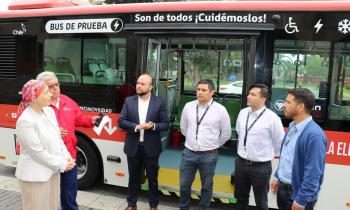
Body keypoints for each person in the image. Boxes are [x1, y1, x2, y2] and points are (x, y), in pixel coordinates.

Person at [36, 71, 100, 210]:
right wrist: (54, 132)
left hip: (69, 156)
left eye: (57, 84)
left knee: (69, 195)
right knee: (47, 197)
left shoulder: (66, 100)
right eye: (50, 86)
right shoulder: (39, 106)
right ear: (42, 88)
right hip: (48, 159)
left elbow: (78, 118)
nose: (55, 88)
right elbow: (32, 133)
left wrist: (90, 121)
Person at [15, 79, 75, 210]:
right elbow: (37, 152)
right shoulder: (25, 121)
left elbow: (58, 139)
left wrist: (67, 156)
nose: (51, 95)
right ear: (34, 98)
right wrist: (63, 164)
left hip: (53, 172)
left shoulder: (49, 112)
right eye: (46, 93)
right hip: (35, 178)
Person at [118, 74, 169, 210]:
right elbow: (121, 122)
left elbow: (165, 124)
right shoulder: (129, 101)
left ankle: (153, 206)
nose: (138, 86)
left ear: (151, 87)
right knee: (133, 178)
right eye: (137, 83)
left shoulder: (159, 102)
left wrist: (153, 126)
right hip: (133, 147)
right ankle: (131, 204)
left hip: (151, 148)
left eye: (143, 84)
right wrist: (136, 127)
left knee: (153, 178)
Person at [270, 88, 327, 210]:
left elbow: (313, 173)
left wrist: (301, 200)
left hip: (297, 196)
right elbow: (287, 157)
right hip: (283, 191)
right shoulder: (292, 127)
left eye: (288, 102)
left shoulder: (314, 135)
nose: (284, 105)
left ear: (300, 106)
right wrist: (277, 176)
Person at [179, 79, 232, 210]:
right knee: (184, 184)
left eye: (203, 90)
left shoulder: (220, 110)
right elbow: (183, 128)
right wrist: (193, 141)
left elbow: (226, 133)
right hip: (189, 153)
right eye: (198, 89)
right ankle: (184, 207)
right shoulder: (189, 106)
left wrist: (214, 144)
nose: (200, 93)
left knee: (206, 187)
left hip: (209, 155)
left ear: (211, 92)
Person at [234, 84, 285, 210]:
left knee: (261, 202)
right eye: (249, 93)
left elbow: (280, 142)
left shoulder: (272, 118)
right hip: (240, 163)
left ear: (263, 99)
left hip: (261, 167)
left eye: (253, 94)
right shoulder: (243, 113)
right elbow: (240, 134)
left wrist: (265, 154)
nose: (248, 96)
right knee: (240, 198)